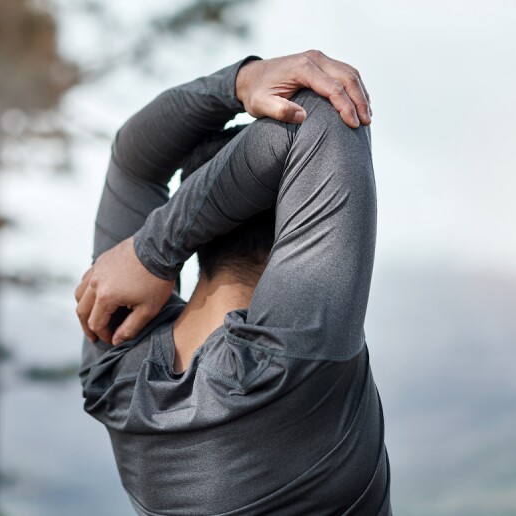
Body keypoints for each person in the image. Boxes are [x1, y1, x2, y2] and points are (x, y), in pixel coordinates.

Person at [75, 50, 391, 515]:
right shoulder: (295, 356)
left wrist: (244, 83)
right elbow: (323, 113)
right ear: (297, 211)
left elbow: (133, 160)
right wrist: (154, 246)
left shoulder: (116, 374)